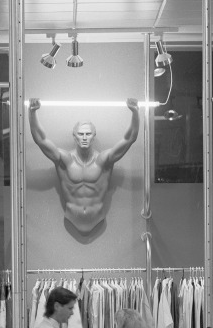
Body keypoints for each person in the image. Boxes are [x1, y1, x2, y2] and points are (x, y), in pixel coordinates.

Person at [28, 97, 140, 236]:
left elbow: (129, 139)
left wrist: (135, 112)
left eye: (88, 134)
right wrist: (32, 113)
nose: (85, 137)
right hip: (71, 218)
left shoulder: (103, 160)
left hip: (98, 218)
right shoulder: (65, 160)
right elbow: (40, 140)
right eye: (81, 134)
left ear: (94, 136)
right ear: (75, 136)